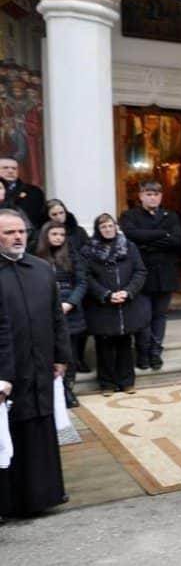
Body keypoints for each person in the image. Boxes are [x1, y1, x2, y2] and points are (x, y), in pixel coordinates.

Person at [0, 208, 70, 519]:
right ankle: (9, 502)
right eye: (9, 232)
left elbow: (57, 317)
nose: (17, 237)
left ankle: (44, 494)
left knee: (41, 428)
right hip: (7, 371)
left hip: (41, 365)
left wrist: (61, 357)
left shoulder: (41, 269)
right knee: (9, 434)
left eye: (21, 231)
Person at [119, 181, 181, 370]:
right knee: (144, 316)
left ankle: (155, 352)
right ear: (140, 196)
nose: (152, 197)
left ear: (161, 196)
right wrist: (163, 235)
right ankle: (143, 352)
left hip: (165, 274)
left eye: (156, 194)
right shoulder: (130, 216)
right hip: (141, 275)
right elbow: (131, 236)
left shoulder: (171, 216)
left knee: (159, 316)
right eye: (148, 194)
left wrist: (147, 242)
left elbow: (178, 241)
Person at [83, 213, 150, 395]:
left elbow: (140, 271)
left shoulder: (129, 247)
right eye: (103, 227)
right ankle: (107, 384)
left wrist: (128, 292)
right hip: (102, 305)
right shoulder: (89, 250)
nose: (108, 229)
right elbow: (86, 277)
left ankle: (127, 382)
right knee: (104, 346)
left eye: (111, 226)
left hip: (126, 303)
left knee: (125, 345)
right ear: (98, 230)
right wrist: (105, 294)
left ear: (116, 227)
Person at [35, 222, 87, 407]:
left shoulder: (73, 255)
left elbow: (82, 282)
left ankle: (68, 389)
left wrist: (70, 302)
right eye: (54, 234)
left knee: (69, 354)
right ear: (46, 235)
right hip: (46, 311)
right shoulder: (36, 256)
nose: (58, 237)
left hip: (70, 311)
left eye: (62, 234)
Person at [0, 157, 46, 229]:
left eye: (14, 168)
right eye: (5, 168)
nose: (10, 171)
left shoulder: (34, 192)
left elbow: (41, 219)